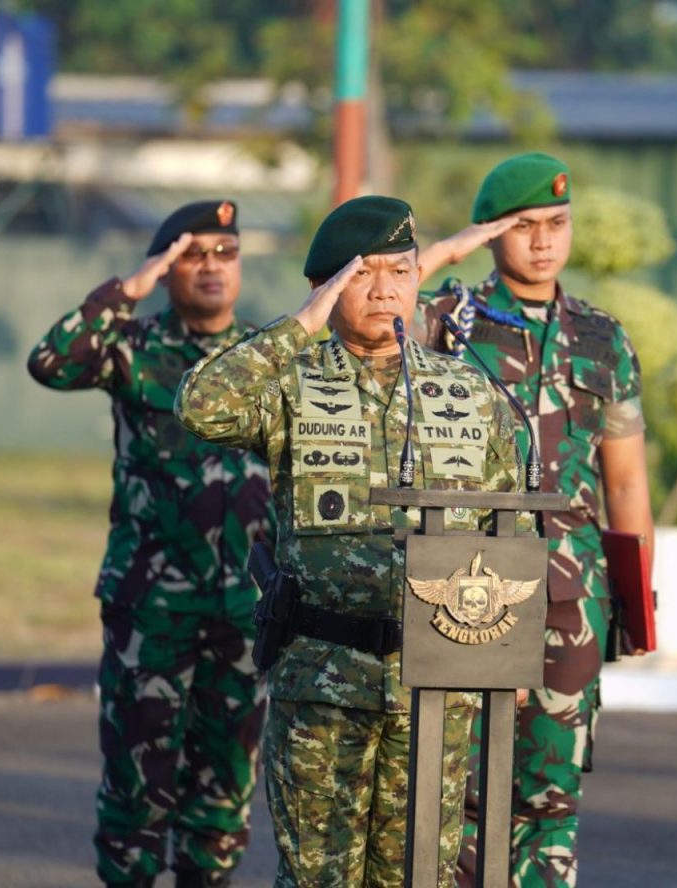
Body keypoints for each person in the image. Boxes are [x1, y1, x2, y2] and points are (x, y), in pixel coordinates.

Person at [175, 195, 526, 887]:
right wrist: (298, 329)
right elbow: (199, 406)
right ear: (325, 286)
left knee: (417, 876)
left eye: (399, 270)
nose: (385, 289)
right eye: (362, 274)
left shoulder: (470, 391)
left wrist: (507, 659)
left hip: (436, 690)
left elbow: (504, 522)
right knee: (318, 879)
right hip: (324, 681)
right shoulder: (290, 384)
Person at [416, 153, 655, 888]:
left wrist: (639, 605)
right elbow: (368, 309)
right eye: (524, 227)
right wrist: (446, 250)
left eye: (557, 224)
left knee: (551, 798)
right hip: (468, 589)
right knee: (456, 795)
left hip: (572, 598)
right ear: (492, 233)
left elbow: (625, 478)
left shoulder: (602, 338)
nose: (544, 241)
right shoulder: (446, 323)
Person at [27, 201, 274, 888]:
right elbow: (51, 360)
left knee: (223, 800)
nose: (213, 267)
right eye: (194, 254)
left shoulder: (265, 356)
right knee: (138, 796)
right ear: (166, 269)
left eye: (227, 252)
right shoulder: (134, 348)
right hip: (153, 611)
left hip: (244, 614)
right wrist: (127, 288)